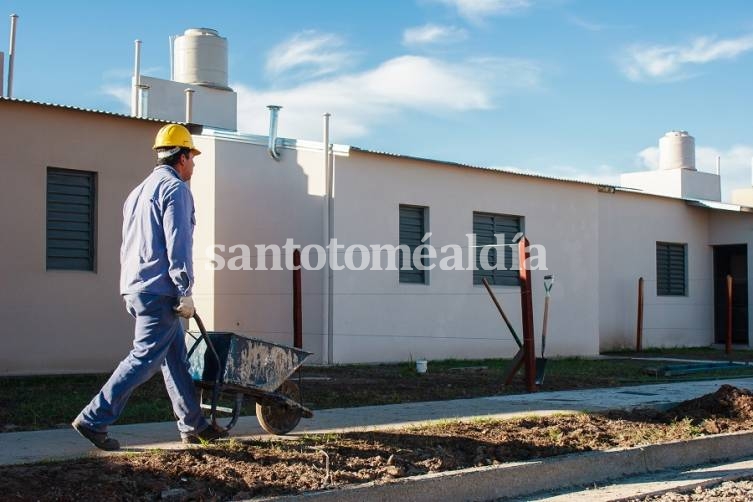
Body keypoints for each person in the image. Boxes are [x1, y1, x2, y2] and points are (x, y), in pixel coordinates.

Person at [72, 124, 227, 450]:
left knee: (175, 359)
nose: (194, 165)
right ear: (181, 156)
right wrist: (185, 287)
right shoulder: (175, 190)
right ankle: (94, 418)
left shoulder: (139, 191)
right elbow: (178, 242)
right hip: (160, 289)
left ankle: (194, 426)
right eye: (193, 158)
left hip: (136, 285)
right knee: (143, 357)